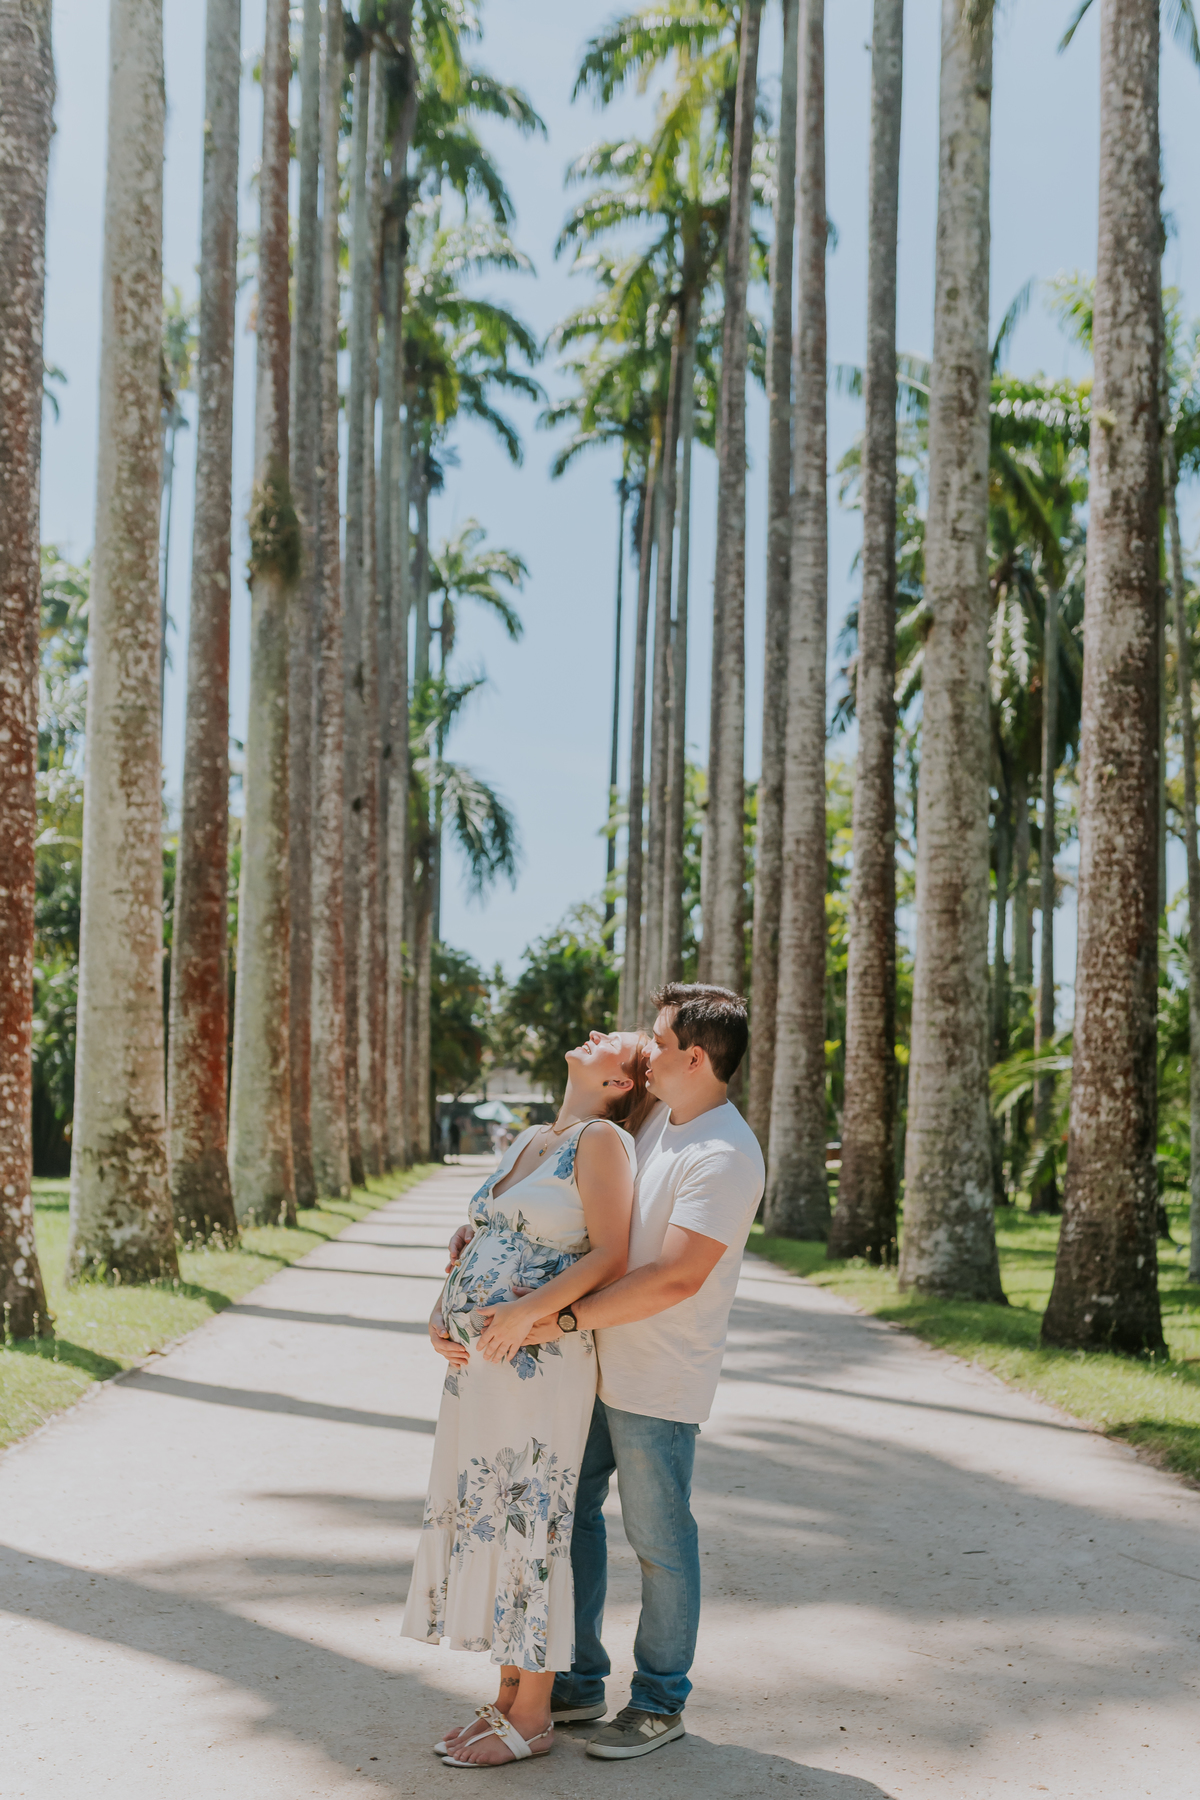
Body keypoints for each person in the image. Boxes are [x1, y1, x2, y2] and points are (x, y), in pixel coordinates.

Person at [437, 983, 765, 1764]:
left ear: (696, 1057)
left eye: (661, 1041)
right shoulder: (653, 1123)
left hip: (657, 1373)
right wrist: (488, 1238)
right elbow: (575, 1207)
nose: (648, 1053)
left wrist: (556, 1320)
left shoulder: (723, 1152)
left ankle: (657, 1701)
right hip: (587, 1367)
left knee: (658, 1537)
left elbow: (674, 1277)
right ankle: (577, 1679)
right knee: (567, 1518)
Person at [403, 1029, 653, 1768]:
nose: (597, 1033)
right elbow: (485, 1237)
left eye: (614, 1041)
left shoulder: (602, 1141)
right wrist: (441, 1310)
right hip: (481, 1365)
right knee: (491, 1512)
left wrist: (521, 1313)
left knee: (530, 1517)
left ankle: (536, 1714)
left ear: (620, 1083)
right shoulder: (532, 1137)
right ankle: (508, 1697)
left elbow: (610, 1252)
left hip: (536, 1360)